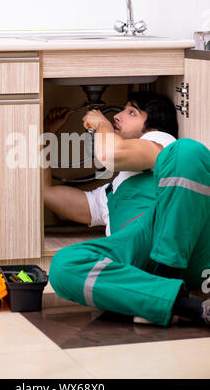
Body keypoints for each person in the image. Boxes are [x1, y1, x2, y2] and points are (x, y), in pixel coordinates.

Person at [44, 90, 210, 326]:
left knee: (189, 150)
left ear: (152, 129)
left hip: (188, 246)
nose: (119, 116)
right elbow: (46, 194)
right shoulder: (108, 193)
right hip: (137, 257)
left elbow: (110, 153)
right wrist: (48, 132)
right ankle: (186, 306)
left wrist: (101, 124)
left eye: (131, 112)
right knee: (63, 266)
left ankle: (165, 276)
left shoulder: (161, 144)